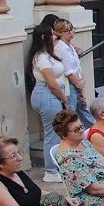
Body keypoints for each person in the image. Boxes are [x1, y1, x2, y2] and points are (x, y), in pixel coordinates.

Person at [27, 26, 70, 179]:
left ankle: (55, 168)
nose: (55, 36)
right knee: (52, 135)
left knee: (55, 133)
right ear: (45, 37)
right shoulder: (41, 58)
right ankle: (51, 171)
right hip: (47, 94)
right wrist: (65, 100)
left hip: (49, 95)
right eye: (52, 34)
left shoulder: (47, 55)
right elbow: (52, 83)